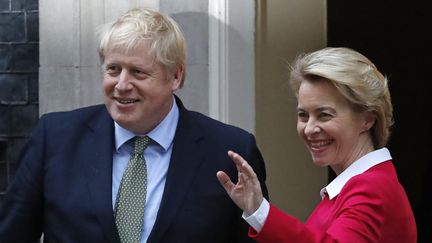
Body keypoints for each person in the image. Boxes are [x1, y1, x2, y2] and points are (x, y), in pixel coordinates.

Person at [0, 7, 268, 243]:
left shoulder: (229, 151)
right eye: (113, 69)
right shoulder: (55, 138)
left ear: (175, 76)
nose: (122, 85)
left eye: (138, 72)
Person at [217, 47, 417, 242]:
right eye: (303, 115)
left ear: (367, 119)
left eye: (324, 115)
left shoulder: (371, 187)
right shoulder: (356, 186)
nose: (309, 128)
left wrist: (261, 213)